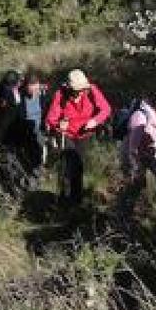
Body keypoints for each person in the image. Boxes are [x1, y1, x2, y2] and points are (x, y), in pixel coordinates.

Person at [45, 69, 111, 207]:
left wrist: (95, 121)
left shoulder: (92, 91)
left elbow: (106, 109)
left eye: (82, 89)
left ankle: (76, 200)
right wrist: (59, 124)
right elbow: (51, 118)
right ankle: (62, 199)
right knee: (67, 166)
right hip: (67, 134)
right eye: (78, 89)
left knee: (79, 167)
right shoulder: (60, 95)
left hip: (85, 135)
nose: (81, 92)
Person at [118, 89, 156, 227]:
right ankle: (123, 215)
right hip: (134, 150)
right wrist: (136, 168)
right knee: (135, 183)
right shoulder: (140, 117)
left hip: (155, 148)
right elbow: (133, 147)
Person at [17, 70, 49, 187]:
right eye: (32, 89)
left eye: (37, 88)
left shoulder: (42, 95)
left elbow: (46, 110)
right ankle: (31, 180)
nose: (35, 92)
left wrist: (48, 125)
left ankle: (37, 173)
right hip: (25, 131)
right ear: (25, 87)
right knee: (29, 156)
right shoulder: (19, 98)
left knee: (39, 154)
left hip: (39, 130)